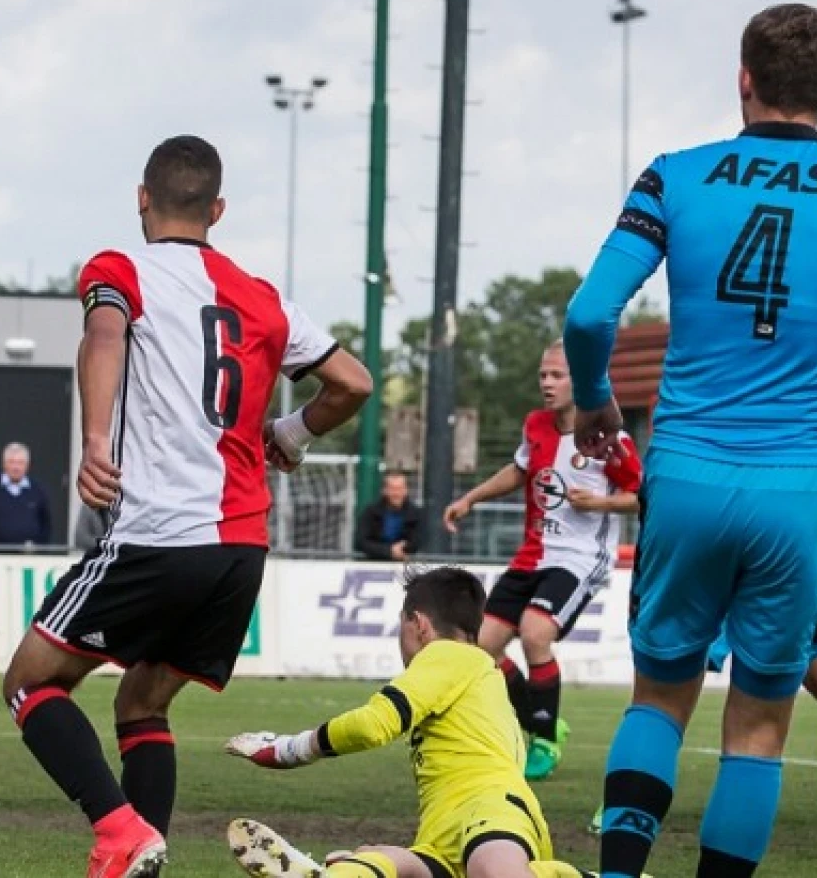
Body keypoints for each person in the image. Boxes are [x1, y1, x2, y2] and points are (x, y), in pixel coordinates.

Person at [562, 4, 817, 878]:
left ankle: (617, 874)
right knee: (760, 728)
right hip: (804, 489)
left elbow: (589, 314)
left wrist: (595, 402)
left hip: (689, 477)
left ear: (743, 79)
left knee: (659, 703)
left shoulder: (674, 177)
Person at [0, 134, 372, 878]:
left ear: (143, 197)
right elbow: (353, 382)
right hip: (240, 550)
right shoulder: (264, 297)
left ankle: (120, 832)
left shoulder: (120, 269)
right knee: (142, 703)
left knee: (30, 683)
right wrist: (291, 435)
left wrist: (96, 438)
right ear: (218, 209)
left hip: (158, 531)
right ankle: (147, 857)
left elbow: (104, 335)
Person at [223, 568, 600, 878]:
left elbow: (372, 725)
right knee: (386, 859)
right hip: (440, 830)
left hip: (489, 811)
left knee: (492, 873)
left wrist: (290, 750)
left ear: (418, 624)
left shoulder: (449, 655)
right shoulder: (478, 679)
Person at [588, 530, 817, 837]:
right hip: (719, 616)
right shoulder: (764, 490)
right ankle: (619, 802)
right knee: (662, 705)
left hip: (795, 623)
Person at [443, 341, 641, 781]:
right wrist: (471, 498)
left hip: (580, 559)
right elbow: (519, 470)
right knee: (480, 650)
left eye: (557, 376)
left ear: (582, 380)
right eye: (543, 376)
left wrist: (598, 504)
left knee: (535, 633)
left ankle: (545, 740)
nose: (547, 384)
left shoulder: (609, 438)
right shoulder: (536, 425)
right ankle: (538, 718)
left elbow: (645, 497)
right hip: (532, 555)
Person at [0, 442, 53, 548]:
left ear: (27, 465)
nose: (16, 467)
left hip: (29, 556)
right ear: (4, 464)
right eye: (11, 462)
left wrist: (39, 546)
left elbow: (46, 524)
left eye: (20, 463)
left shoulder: (38, 490)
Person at [355, 471, 424, 562]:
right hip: (373, 564)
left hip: (404, 564)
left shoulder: (415, 514)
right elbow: (360, 542)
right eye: (392, 489)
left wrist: (403, 548)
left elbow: (417, 541)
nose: (396, 493)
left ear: (406, 490)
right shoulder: (371, 512)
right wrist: (389, 550)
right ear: (385, 490)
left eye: (399, 489)